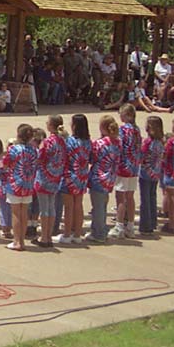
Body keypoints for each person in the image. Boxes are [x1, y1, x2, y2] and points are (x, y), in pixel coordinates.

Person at [1, 123, 38, 251]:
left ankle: (17, 241)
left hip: (15, 185)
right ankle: (22, 240)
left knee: (16, 213)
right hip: (28, 184)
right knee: (24, 213)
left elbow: (4, 164)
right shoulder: (34, 150)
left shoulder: (14, 150)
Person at [58, 114, 92, 245]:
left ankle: (67, 234)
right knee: (78, 206)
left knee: (68, 207)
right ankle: (77, 234)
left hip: (70, 176)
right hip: (82, 176)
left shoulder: (71, 141)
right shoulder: (88, 142)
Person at [85, 115, 120, 245]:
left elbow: (91, 158)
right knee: (103, 204)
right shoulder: (118, 142)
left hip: (98, 177)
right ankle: (101, 229)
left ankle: (98, 233)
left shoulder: (99, 143)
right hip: (110, 177)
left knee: (98, 206)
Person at [33, 115, 66, 248]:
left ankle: (44, 237)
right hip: (56, 177)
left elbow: (40, 158)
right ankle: (49, 236)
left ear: (51, 125)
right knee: (51, 207)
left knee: (44, 209)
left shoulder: (46, 142)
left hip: (44, 177)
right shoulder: (62, 141)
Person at [111, 104, 141, 239]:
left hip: (124, 166)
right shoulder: (137, 129)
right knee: (130, 196)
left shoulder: (124, 129)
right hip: (134, 166)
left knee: (120, 196)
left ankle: (119, 225)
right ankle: (130, 225)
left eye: (122, 114)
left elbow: (120, 146)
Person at [138, 115, 164, 236]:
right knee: (152, 197)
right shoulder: (160, 141)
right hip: (156, 172)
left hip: (146, 172)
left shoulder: (148, 141)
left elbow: (142, 155)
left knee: (145, 199)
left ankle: (146, 225)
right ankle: (153, 222)